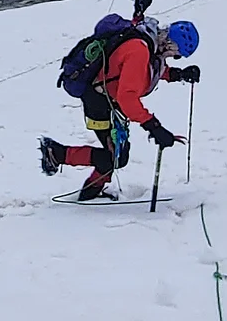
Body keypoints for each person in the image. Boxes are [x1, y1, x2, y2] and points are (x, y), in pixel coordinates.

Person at [41, 19, 200, 200]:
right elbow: (128, 99)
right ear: (169, 43)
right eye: (176, 53)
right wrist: (153, 126)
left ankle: (88, 190)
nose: (172, 56)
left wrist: (178, 75)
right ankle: (58, 155)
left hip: (108, 101)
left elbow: (148, 70)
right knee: (114, 158)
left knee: (118, 155)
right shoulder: (139, 50)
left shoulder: (149, 43)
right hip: (98, 103)